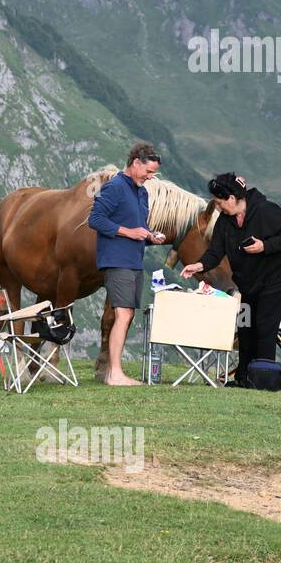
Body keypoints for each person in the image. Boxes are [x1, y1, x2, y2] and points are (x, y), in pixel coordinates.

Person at [180, 173, 281, 382]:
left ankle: (263, 379)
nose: (217, 207)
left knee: (264, 324)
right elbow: (215, 252)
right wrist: (198, 265)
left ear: (232, 199)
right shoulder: (225, 222)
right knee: (245, 324)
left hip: (277, 277)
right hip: (248, 281)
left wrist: (265, 246)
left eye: (219, 202)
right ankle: (243, 378)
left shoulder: (265, 211)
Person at [87, 142, 168, 385]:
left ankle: (114, 371)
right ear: (135, 164)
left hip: (134, 261)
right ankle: (114, 374)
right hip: (117, 259)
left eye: (154, 173)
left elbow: (137, 226)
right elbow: (95, 219)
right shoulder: (113, 187)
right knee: (122, 314)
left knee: (128, 314)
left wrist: (150, 235)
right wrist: (129, 232)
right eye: (148, 171)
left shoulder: (142, 192)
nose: (150, 177)